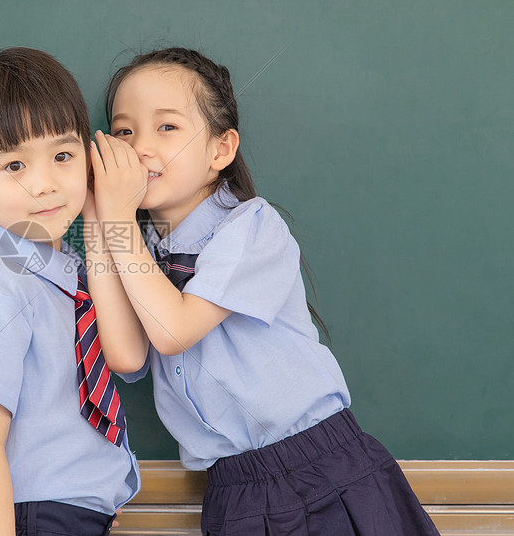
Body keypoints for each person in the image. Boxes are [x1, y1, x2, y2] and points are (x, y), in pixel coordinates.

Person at [83, 47, 439, 535]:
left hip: (323, 474)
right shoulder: (139, 250)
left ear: (221, 150)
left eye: (167, 127)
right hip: (232, 491)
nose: (141, 146)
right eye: (124, 131)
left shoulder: (251, 226)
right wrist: (97, 218)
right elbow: (125, 357)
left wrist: (120, 218)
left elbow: (173, 330)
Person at [0, 47, 140, 536]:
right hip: (24, 519)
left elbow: (126, 356)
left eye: (63, 156)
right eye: (14, 166)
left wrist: (97, 212)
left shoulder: (66, 279)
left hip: (67, 515)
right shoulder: (1, 286)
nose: (44, 184)